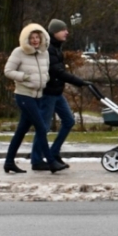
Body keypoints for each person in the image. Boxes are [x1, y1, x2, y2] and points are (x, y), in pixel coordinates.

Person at [4, 24, 62, 174]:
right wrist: (25, 77)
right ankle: (51, 162)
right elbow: (8, 71)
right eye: (31, 38)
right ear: (26, 39)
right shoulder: (19, 52)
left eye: (37, 37)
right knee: (42, 127)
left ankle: (9, 162)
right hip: (24, 95)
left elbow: (46, 71)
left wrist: (46, 78)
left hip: (37, 96)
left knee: (21, 131)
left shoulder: (44, 53)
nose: (35, 40)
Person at [39, 19, 92, 170]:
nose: (67, 32)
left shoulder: (56, 48)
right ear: (55, 32)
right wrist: (79, 81)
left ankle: (54, 151)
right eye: (63, 30)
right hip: (48, 92)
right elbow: (57, 71)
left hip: (56, 92)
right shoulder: (49, 49)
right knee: (43, 126)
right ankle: (37, 159)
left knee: (68, 120)